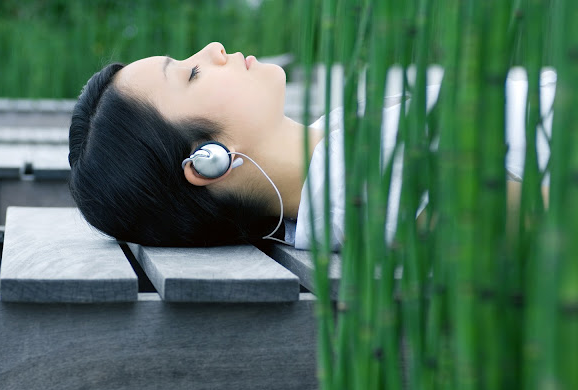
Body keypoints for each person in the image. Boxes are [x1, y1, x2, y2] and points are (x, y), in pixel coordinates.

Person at [68, 42, 554, 250]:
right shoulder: (363, 189)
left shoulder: (341, 154)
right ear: (207, 161)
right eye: (191, 73)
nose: (213, 51)